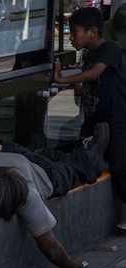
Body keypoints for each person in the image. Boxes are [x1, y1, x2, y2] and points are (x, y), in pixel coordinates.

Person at [0, 122, 110, 268]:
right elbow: (50, 246)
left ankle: (86, 153)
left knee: (55, 158)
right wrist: (73, 266)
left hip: (16, 154)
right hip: (32, 163)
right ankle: (91, 155)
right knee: (71, 171)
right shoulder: (28, 195)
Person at [55, 7, 126, 228]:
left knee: (119, 165)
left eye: (75, 32)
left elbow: (94, 74)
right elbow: (89, 85)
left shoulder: (110, 49)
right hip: (94, 122)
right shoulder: (88, 57)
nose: (71, 38)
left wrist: (61, 80)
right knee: (81, 155)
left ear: (93, 32)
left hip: (116, 120)